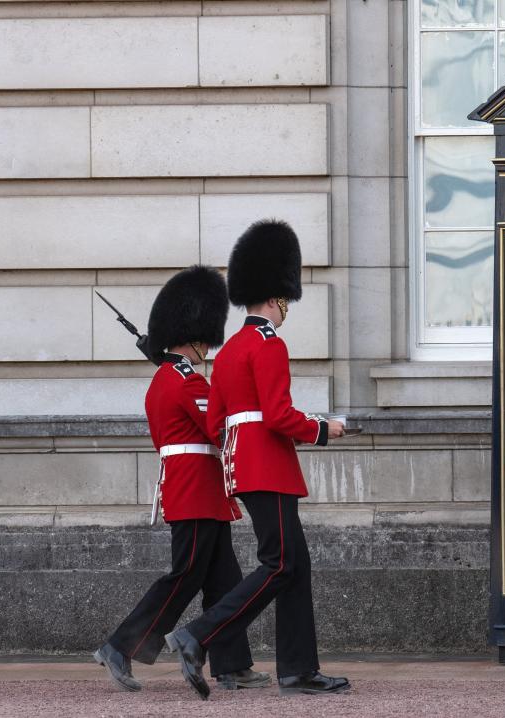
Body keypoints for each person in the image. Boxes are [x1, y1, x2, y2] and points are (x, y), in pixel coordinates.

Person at [164, 220, 349, 700]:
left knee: (295, 566)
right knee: (280, 562)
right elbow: (279, 415)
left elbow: (217, 423)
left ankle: (299, 670)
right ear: (277, 298)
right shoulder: (269, 344)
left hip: (243, 467)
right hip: (268, 465)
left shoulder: (226, 355)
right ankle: (198, 635)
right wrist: (323, 430)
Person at [93, 265, 269, 693]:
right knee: (184, 575)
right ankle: (121, 646)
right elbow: (220, 428)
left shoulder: (166, 379)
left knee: (223, 581)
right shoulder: (187, 383)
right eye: (205, 340)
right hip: (195, 490)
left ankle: (232, 665)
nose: (209, 346)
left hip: (197, 489)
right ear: (192, 337)